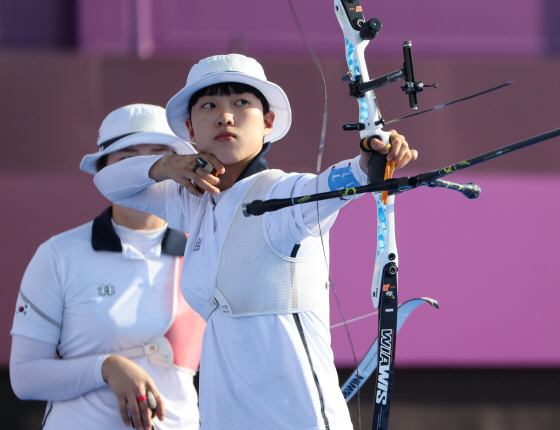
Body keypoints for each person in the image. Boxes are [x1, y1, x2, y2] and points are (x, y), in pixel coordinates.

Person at [94, 54, 417, 429]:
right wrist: (165, 165)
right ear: (190, 128)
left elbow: (332, 185)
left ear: (268, 122)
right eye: (209, 105)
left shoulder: (284, 192)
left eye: (241, 103)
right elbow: (109, 182)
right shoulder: (191, 200)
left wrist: (370, 163)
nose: (225, 115)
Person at [10, 104, 207, 430]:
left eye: (160, 157)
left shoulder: (204, 250)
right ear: (104, 172)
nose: (146, 170)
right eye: (128, 159)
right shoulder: (59, 255)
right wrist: (107, 367)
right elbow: (24, 377)